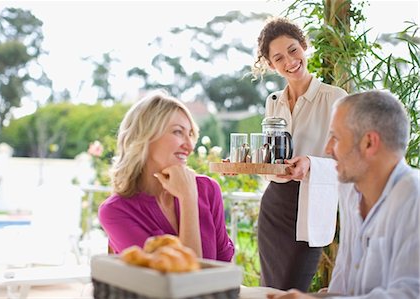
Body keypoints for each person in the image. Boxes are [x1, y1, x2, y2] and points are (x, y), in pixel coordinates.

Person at [268, 90, 419, 299]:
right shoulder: (351, 191)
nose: (328, 149)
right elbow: (346, 285)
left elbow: (409, 294)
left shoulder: (414, 199)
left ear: (369, 143)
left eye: (335, 138)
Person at [252, 17, 348, 291]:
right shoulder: (273, 102)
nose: (290, 61)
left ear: (304, 46)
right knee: (269, 288)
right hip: (275, 204)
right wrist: (251, 162)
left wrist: (311, 164)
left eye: (293, 50)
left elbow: (350, 161)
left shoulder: (335, 98)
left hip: (312, 204)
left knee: (292, 289)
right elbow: (270, 154)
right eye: (279, 58)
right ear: (271, 65)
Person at [98, 91, 234, 262]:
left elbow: (225, 268)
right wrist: (188, 198)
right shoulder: (116, 211)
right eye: (178, 132)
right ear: (145, 137)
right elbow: (183, 279)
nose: (189, 145)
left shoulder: (208, 190)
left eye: (190, 134)